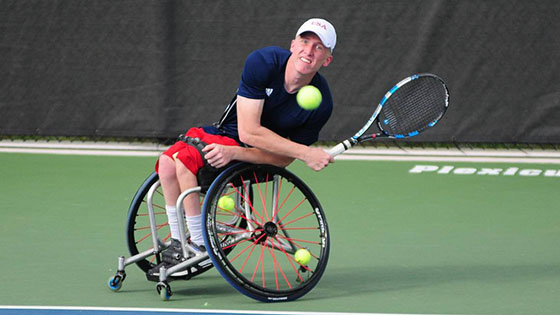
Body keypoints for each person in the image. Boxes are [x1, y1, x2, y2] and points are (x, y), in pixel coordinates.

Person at [151, 18, 337, 273]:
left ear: (327, 59)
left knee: (184, 160)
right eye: (305, 42)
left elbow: (282, 161)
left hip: (261, 160)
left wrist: (234, 153)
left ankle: (199, 244)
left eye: (319, 47)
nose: (309, 51)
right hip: (228, 134)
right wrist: (307, 153)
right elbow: (247, 132)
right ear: (293, 45)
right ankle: (179, 241)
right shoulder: (264, 62)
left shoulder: (322, 103)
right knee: (166, 163)